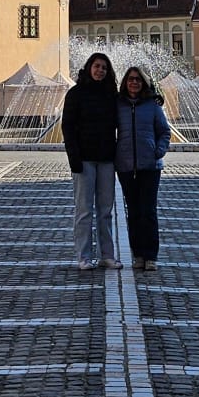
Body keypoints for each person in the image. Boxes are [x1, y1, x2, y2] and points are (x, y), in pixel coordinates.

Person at [61, 52, 121, 271]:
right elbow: (67, 127)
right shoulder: (76, 94)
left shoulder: (111, 95)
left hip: (106, 159)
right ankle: (83, 256)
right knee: (84, 210)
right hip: (84, 159)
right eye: (97, 66)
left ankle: (107, 255)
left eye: (104, 67)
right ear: (89, 68)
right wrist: (73, 158)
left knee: (106, 211)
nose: (100, 70)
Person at [115, 65, 172, 272]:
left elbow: (164, 131)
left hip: (150, 166)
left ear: (144, 83)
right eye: (131, 79)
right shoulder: (118, 104)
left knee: (148, 211)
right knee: (134, 212)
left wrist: (158, 151)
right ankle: (137, 254)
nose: (134, 82)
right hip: (126, 166)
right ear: (125, 82)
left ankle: (151, 255)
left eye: (138, 79)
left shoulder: (152, 105)